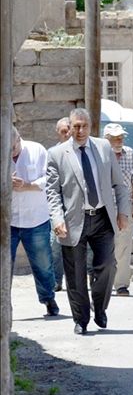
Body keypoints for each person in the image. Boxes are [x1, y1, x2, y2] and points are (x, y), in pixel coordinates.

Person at [46, 108, 130, 335]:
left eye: (84, 126)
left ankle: (100, 308)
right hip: (74, 220)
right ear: (69, 127)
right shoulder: (56, 154)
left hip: (102, 217)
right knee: (75, 273)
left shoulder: (104, 148)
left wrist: (123, 212)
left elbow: (119, 185)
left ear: (91, 126)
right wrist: (57, 218)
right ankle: (81, 319)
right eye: (76, 126)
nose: (80, 130)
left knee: (106, 266)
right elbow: (52, 191)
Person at [11, 126, 59, 316]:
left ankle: (49, 299)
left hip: (35, 218)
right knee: (4, 265)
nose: (11, 152)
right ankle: (4, 305)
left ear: (18, 139)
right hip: (8, 220)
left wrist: (27, 186)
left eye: (13, 148)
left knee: (43, 263)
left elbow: (49, 178)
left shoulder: (37, 150)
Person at [103, 123, 133, 297]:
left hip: (124, 207)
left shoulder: (130, 153)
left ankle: (121, 284)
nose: (119, 141)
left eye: (121, 137)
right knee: (104, 246)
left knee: (124, 246)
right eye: (115, 138)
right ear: (107, 139)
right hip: (103, 207)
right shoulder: (100, 154)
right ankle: (103, 281)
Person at [50, 117, 71, 291]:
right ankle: (57, 280)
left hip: (77, 206)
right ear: (58, 133)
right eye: (63, 131)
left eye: (69, 130)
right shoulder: (52, 153)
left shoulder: (80, 151)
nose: (67, 134)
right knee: (55, 245)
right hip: (58, 206)